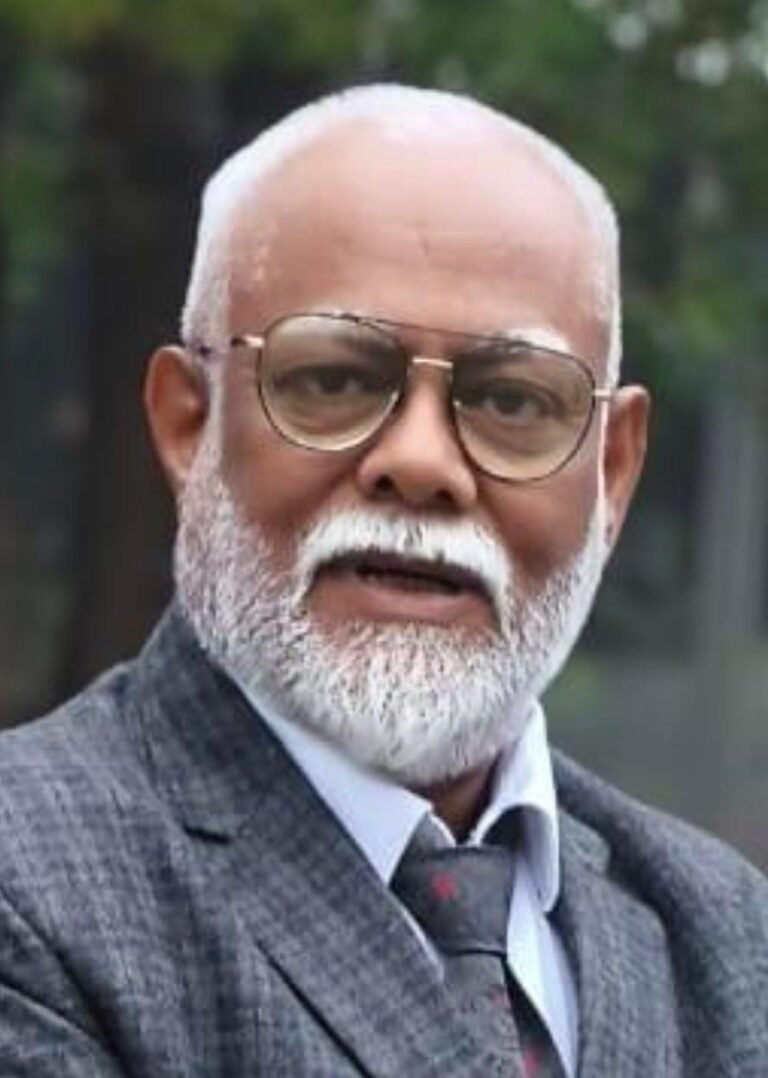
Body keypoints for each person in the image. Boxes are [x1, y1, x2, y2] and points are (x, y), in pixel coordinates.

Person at [0, 83, 765, 1078]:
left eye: (512, 400)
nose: (421, 463)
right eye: (334, 380)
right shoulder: (30, 883)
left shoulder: (727, 936)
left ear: (612, 470)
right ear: (190, 424)